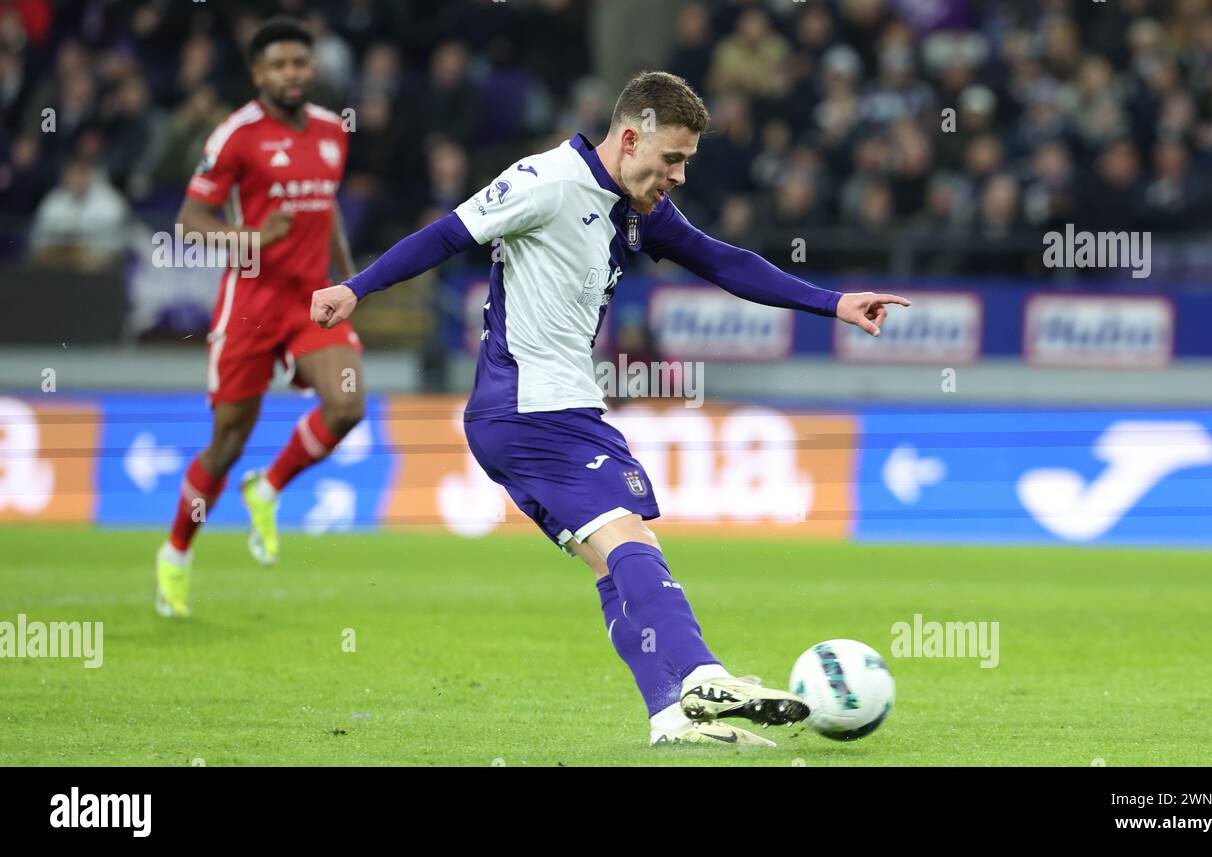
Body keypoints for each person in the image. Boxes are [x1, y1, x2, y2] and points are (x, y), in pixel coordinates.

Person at [310, 71, 909, 746]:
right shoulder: (546, 181)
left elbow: (722, 260)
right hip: (532, 409)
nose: (678, 176)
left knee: (615, 561)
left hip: (543, 411)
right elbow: (448, 234)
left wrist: (833, 302)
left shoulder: (636, 206)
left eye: (685, 163)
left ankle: (668, 714)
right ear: (629, 139)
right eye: (672, 160)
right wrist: (357, 289)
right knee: (629, 536)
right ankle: (702, 673)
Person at [155, 18, 363, 618]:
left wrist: (348, 284)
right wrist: (247, 234)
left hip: (311, 302)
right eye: (279, 65)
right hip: (249, 306)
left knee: (347, 404)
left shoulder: (332, 132)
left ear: (311, 68)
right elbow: (189, 221)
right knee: (225, 443)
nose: (291, 74)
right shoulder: (235, 136)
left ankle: (268, 488)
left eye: (300, 63)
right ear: (258, 73)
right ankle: (176, 553)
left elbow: (330, 214)